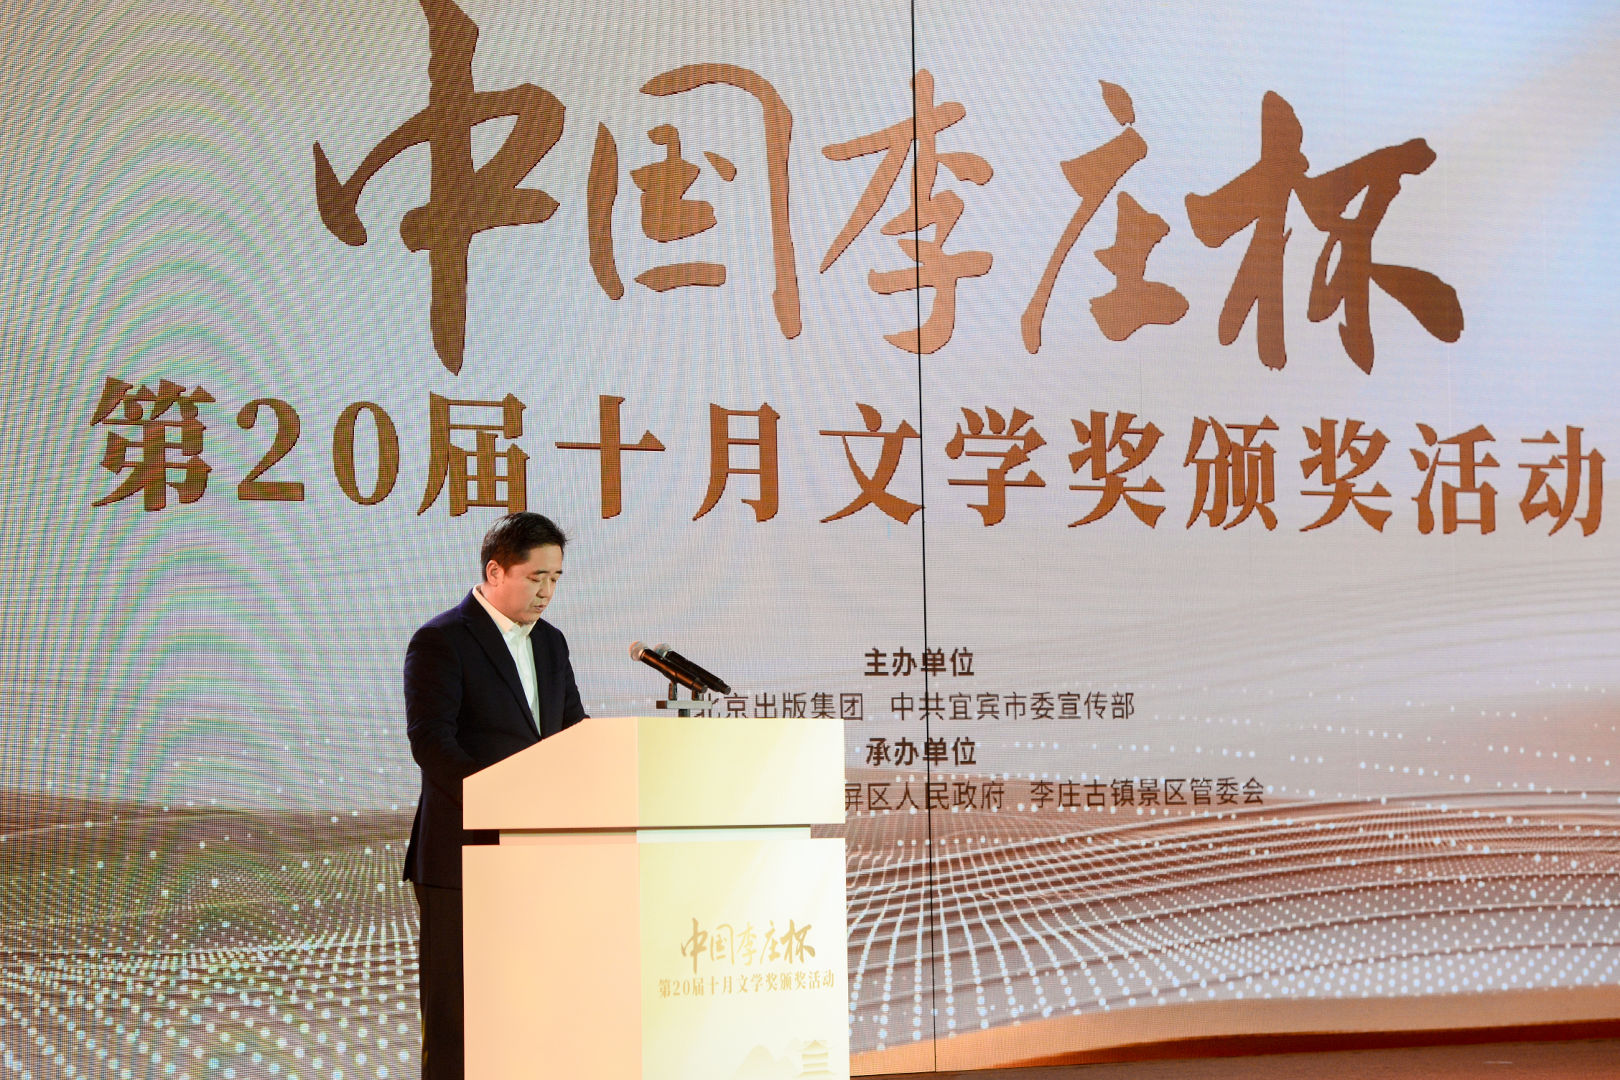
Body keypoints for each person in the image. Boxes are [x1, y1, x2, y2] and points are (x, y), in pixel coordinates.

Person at [402, 512, 587, 1080]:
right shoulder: (442, 640)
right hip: (462, 857)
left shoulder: (551, 643)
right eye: (536, 577)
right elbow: (432, 744)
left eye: (555, 578)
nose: (547, 591)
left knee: (529, 1012)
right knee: (459, 1021)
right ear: (495, 571)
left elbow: (573, 732)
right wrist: (502, 802)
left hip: (536, 857)